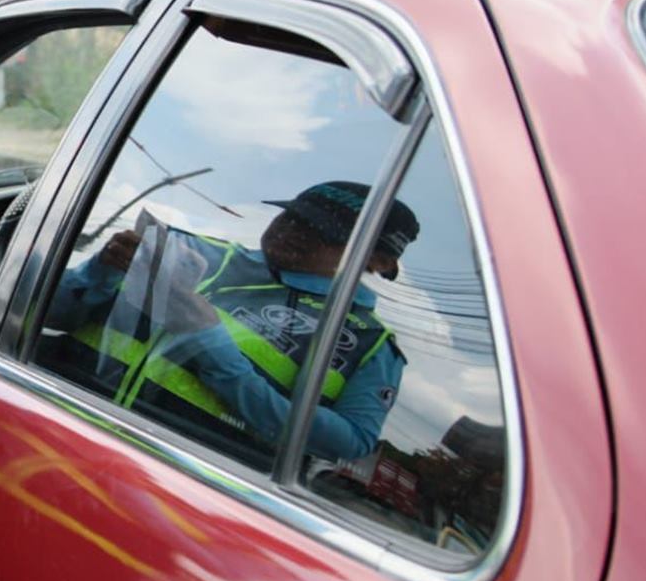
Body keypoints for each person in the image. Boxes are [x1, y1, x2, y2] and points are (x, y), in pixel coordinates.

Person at [39, 181, 420, 463]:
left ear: (378, 263)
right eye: (291, 215)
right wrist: (99, 273)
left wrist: (216, 353)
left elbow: (350, 444)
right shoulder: (185, 250)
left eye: (319, 232)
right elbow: (44, 313)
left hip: (178, 486)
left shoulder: (370, 345)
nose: (290, 231)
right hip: (54, 427)